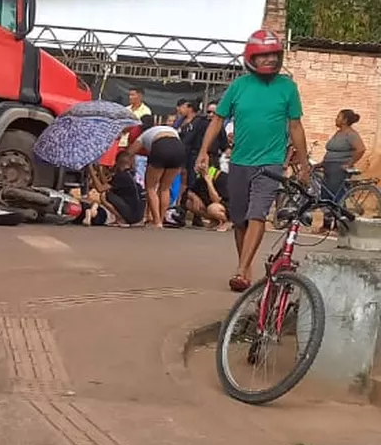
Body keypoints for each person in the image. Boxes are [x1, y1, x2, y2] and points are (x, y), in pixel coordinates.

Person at [196, 29, 309, 292]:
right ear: (251, 59)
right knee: (239, 219)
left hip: (270, 163)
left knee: (257, 213)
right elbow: (217, 120)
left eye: (273, 55)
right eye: (263, 56)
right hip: (239, 162)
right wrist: (204, 151)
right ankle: (245, 267)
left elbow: (295, 127)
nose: (269, 60)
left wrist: (303, 165)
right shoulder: (238, 86)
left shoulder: (288, 88)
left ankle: (240, 270)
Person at [124, 123, 185, 227]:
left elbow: (129, 153)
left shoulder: (143, 136)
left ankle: (157, 221)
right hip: (178, 148)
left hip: (161, 147)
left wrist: (127, 166)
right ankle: (161, 218)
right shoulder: (170, 130)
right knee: (165, 188)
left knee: (151, 187)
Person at [320, 108, 366, 209]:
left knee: (336, 196)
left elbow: (361, 149)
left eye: (338, 117)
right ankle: (327, 222)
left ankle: (340, 221)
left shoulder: (350, 134)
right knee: (326, 195)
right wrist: (322, 163)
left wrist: (349, 164)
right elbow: (331, 151)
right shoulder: (338, 133)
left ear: (345, 120)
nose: (336, 119)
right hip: (329, 167)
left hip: (339, 168)